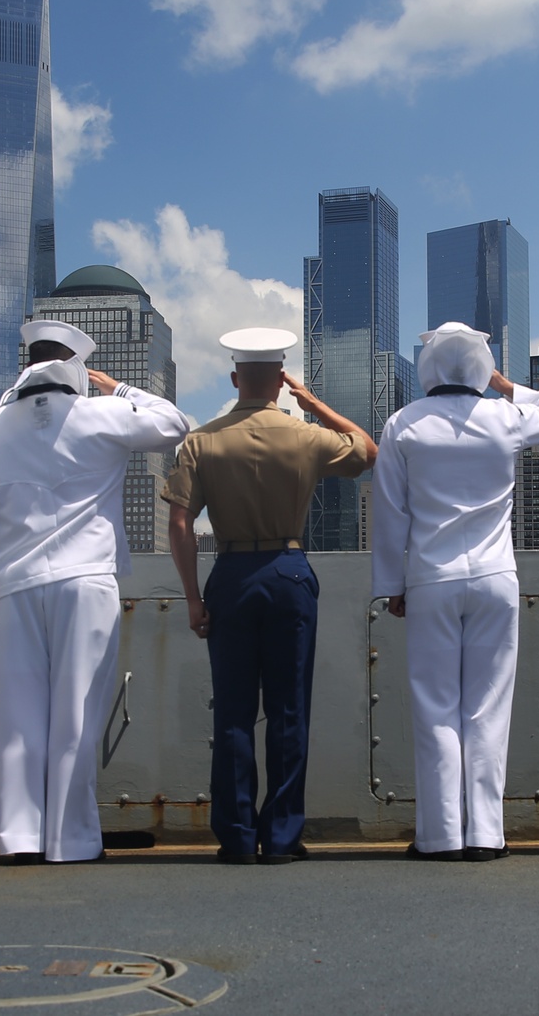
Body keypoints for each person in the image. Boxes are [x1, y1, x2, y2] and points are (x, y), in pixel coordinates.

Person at [0, 320, 189, 864]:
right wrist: (119, 389)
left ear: (26, 364)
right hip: (84, 580)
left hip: (13, 585)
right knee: (77, 714)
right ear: (77, 368)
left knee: (16, 717)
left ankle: (18, 838)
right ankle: (70, 839)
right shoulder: (100, 415)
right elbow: (173, 424)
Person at [162, 327, 376, 864]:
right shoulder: (304, 435)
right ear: (281, 380)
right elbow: (366, 450)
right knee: (287, 711)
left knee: (232, 710)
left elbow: (181, 522)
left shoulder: (201, 440)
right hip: (288, 569)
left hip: (231, 571)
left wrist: (191, 596)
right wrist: (313, 403)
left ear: (235, 378)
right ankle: (281, 837)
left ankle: (235, 836)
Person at [372, 323, 539, 861]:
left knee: (435, 707)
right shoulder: (503, 418)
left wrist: (391, 585)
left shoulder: (404, 424)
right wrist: (507, 386)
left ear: (429, 364)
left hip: (431, 579)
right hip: (495, 579)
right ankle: (486, 835)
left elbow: (391, 513)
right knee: (488, 708)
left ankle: (439, 836)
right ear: (481, 365)